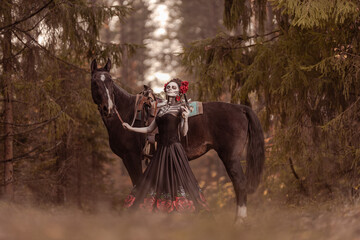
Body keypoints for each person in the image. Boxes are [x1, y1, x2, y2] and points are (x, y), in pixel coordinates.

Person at [122, 78, 209, 213]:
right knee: (155, 178)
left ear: (179, 91)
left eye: (174, 88)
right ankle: (158, 210)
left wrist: (185, 118)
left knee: (177, 178)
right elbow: (149, 129)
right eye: (169, 87)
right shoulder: (161, 109)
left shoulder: (181, 108)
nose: (170, 89)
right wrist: (130, 128)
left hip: (174, 149)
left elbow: (183, 132)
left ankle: (179, 211)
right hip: (160, 150)